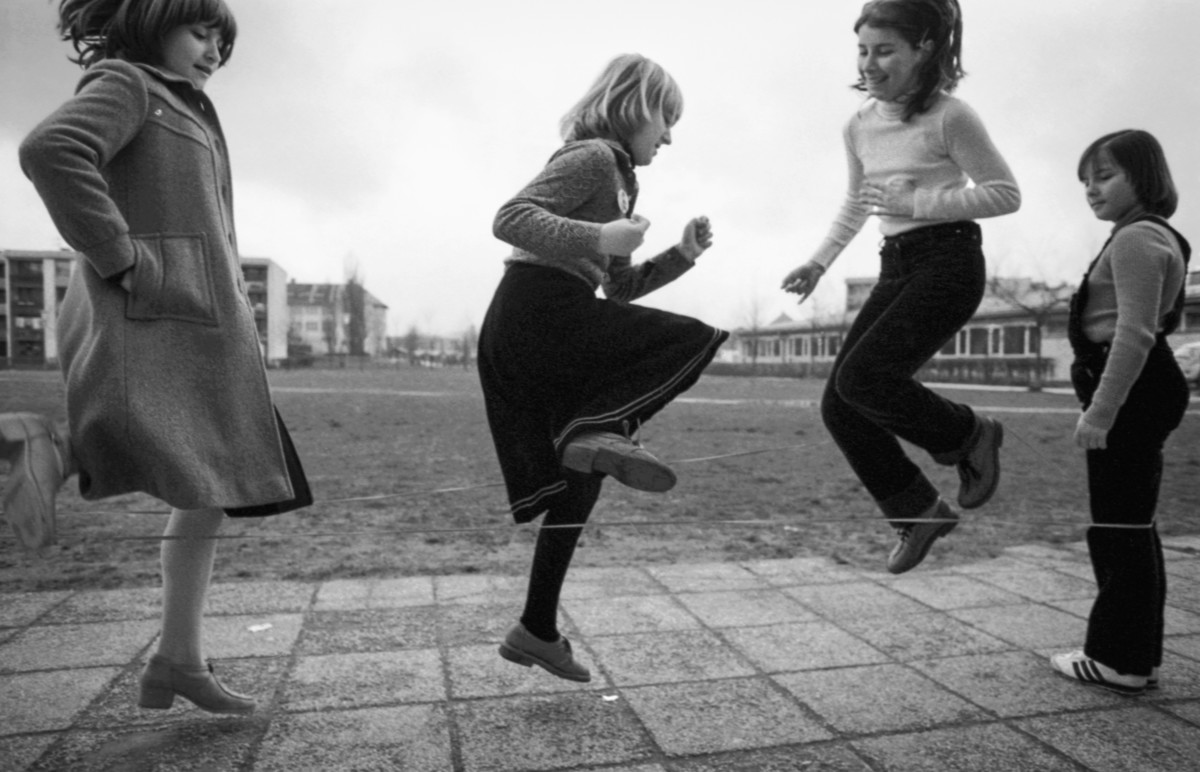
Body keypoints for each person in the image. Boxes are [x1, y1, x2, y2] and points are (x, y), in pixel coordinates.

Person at [4, 0, 312, 715]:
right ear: (152, 23)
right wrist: (122, 257)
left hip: (194, 323)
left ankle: (177, 660)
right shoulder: (130, 84)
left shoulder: (179, 102)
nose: (214, 50)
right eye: (200, 33)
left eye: (221, 41)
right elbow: (49, 151)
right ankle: (52, 446)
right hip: (156, 315)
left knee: (209, 487)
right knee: (188, 460)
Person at [478, 53, 727, 682]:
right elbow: (511, 218)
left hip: (558, 316)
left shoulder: (622, 181)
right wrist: (600, 238)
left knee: (580, 481)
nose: (668, 137)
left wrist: (681, 255)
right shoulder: (590, 157)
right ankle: (600, 428)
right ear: (635, 107)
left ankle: (535, 630)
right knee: (689, 339)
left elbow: (619, 289)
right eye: (666, 121)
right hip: (536, 312)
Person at [781, 0, 1020, 574]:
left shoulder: (950, 117)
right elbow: (858, 202)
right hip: (897, 264)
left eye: (885, 51)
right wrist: (818, 263)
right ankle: (916, 512)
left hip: (949, 260)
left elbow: (1005, 193)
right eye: (863, 50)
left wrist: (919, 202)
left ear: (924, 49)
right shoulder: (859, 125)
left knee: (864, 378)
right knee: (840, 404)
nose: (870, 63)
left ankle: (969, 433)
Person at [1050, 130, 1190, 695]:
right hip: (1146, 388)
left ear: (1144, 177)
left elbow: (1134, 333)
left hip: (1132, 392)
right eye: (1085, 180)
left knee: (1118, 528)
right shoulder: (1155, 236)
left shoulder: (1135, 239)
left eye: (1105, 175)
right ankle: (1136, 657)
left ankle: (1117, 659)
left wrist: (1101, 413)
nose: (1091, 189)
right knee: (1132, 525)